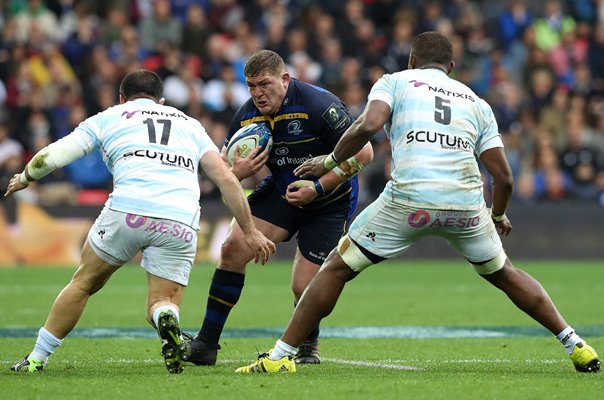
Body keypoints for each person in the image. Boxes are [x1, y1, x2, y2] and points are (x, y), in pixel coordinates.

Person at [235, 32, 601, 374]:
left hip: (410, 198)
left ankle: (281, 357)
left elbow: (368, 125)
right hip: (465, 204)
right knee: (505, 273)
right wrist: (499, 214)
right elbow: (503, 176)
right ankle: (575, 343)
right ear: (451, 68)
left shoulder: (395, 81)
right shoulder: (477, 103)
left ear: (411, 61)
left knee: (335, 267)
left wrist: (329, 161)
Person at [4, 69, 275, 374]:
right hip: (180, 217)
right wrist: (250, 232)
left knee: (83, 283)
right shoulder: (191, 125)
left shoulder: (110, 116)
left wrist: (26, 176)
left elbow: (55, 155)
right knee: (161, 300)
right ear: (161, 100)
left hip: (128, 210)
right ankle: (165, 319)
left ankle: (36, 359)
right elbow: (226, 178)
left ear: (122, 98)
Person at [185, 49, 373, 366]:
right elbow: (222, 167)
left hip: (330, 200)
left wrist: (318, 187)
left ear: (285, 79)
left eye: (264, 84)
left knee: (304, 287)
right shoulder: (246, 115)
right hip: (282, 190)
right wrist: (237, 174)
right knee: (232, 248)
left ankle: (307, 347)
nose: (258, 93)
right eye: (251, 86)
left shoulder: (318, 104)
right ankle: (206, 344)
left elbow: (365, 153)